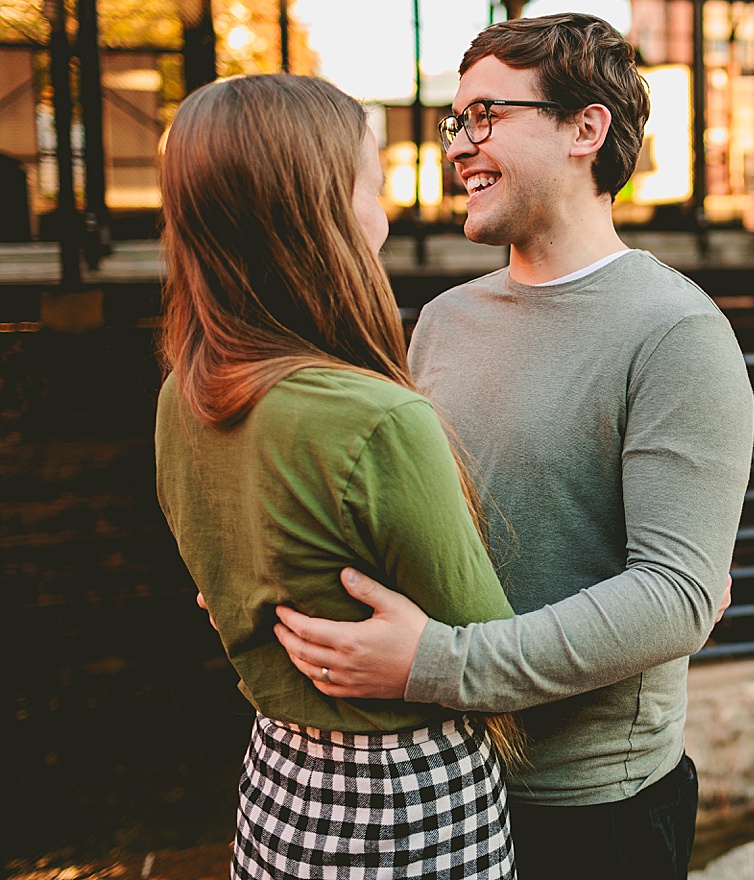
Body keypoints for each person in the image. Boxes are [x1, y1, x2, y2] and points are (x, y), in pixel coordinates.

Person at [273, 13, 754, 879]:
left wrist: (438, 667)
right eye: (457, 122)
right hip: (442, 782)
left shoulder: (678, 333)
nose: (460, 144)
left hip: (593, 805)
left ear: (585, 128)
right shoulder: (445, 320)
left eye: (486, 115)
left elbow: (677, 597)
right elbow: (408, 525)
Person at [155, 74, 519, 880]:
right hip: (404, 797)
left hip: (278, 779)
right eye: (375, 178)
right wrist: (669, 608)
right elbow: (491, 652)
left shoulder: (180, 396)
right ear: (323, 205)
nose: (383, 202)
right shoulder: (378, 419)